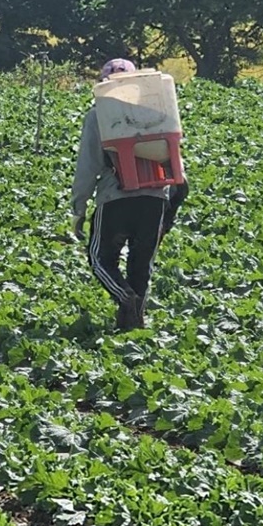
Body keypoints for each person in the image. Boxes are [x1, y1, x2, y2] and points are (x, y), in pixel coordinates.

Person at [70, 58, 189, 331]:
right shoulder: (157, 110)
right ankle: (135, 322)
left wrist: (79, 207)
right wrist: (171, 205)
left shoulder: (98, 114)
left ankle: (126, 300)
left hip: (115, 198)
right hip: (156, 199)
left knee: (100, 258)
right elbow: (177, 164)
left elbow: (88, 166)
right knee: (141, 263)